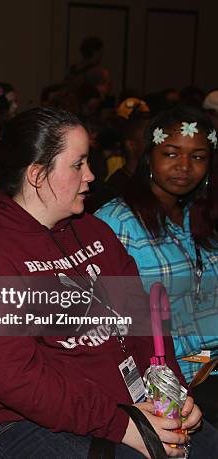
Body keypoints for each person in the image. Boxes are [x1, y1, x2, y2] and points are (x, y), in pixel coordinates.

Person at [0, 107, 217, 458]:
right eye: (78, 164)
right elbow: (13, 376)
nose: (91, 176)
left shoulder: (94, 232)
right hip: (23, 422)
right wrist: (123, 425)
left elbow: (142, 325)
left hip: (118, 406)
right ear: (38, 174)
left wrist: (172, 394)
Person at [96, 105, 218, 426]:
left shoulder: (202, 216)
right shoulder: (116, 222)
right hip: (175, 380)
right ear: (150, 156)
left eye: (198, 157)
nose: (184, 167)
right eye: (171, 154)